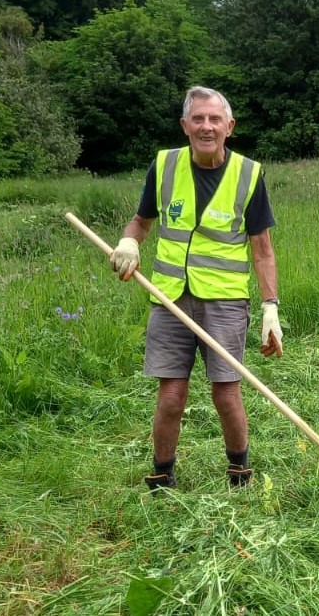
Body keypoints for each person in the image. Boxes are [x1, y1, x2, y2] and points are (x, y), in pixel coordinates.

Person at [108, 86, 283, 491]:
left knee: (226, 394)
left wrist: (270, 306)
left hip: (224, 302)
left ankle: (239, 473)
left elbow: (263, 249)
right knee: (171, 395)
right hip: (170, 298)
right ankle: (161, 475)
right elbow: (141, 221)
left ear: (229, 127)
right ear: (185, 126)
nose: (207, 127)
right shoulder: (165, 166)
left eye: (215, 119)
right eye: (199, 119)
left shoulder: (249, 174)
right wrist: (129, 242)